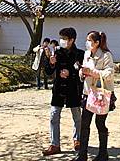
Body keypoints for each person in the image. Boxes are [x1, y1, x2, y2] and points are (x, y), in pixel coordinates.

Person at [42, 28, 84, 156]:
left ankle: (78, 139)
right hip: (59, 88)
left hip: (73, 89)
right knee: (54, 115)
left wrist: (71, 73)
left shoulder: (80, 54)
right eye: (61, 38)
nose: (62, 41)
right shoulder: (57, 52)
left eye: (65, 39)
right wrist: (51, 63)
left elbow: (83, 73)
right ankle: (55, 144)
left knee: (77, 116)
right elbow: (48, 72)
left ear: (72, 40)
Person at [75, 31, 115, 161]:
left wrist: (92, 72)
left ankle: (103, 153)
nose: (87, 43)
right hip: (88, 93)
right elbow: (84, 71)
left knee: (100, 123)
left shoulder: (106, 55)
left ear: (97, 43)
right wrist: (82, 72)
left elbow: (108, 74)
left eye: (89, 40)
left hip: (101, 94)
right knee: (84, 124)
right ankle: (82, 154)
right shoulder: (87, 54)